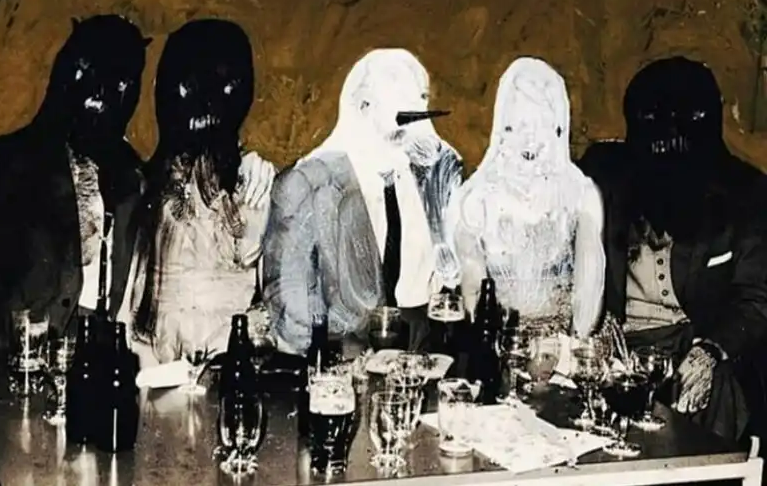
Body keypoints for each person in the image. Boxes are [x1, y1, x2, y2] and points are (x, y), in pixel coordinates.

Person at [578, 56, 767, 442]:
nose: (669, 141)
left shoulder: (746, 193)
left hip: (693, 340)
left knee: (715, 389)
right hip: (618, 343)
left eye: (687, 121)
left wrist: (711, 351)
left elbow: (755, 297)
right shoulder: (603, 177)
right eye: (654, 122)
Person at [0, 15, 151, 370]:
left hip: (95, 369)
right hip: (9, 370)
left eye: (126, 82)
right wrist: (10, 362)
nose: (107, 93)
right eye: (90, 72)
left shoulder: (133, 177)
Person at [262, 48, 462, 355]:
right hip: (343, 364)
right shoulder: (308, 185)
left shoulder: (435, 174)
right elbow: (291, 315)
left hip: (423, 362)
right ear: (363, 107)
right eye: (400, 123)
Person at [124, 19, 275, 365]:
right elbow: (130, 296)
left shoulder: (255, 184)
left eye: (225, 84)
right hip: (156, 363)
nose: (206, 102)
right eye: (189, 84)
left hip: (228, 360)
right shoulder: (146, 185)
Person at [447, 56, 605, 337]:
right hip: (496, 341)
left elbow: (589, 290)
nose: (529, 139)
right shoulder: (474, 200)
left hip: (563, 345)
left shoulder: (580, 194)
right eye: (517, 126)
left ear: (558, 128)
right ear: (502, 130)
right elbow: (473, 291)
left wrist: (571, 350)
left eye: (541, 124)